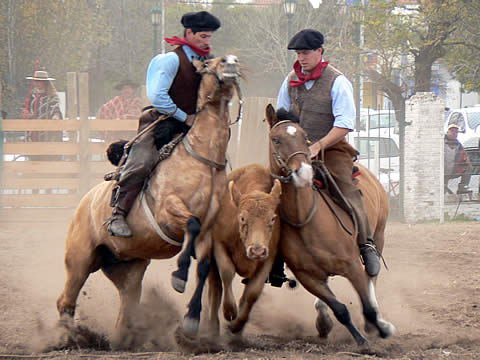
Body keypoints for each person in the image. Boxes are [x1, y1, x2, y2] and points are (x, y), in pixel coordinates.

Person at [105, 11, 221, 238]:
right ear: (189, 33)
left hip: (196, 126)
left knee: (220, 161)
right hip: (162, 122)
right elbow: (157, 97)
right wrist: (183, 116)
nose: (207, 42)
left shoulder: (210, 62)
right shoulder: (170, 60)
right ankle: (118, 214)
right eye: (203, 37)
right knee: (142, 161)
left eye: (209, 37)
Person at [275, 29, 380, 278]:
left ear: (320, 52)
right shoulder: (289, 80)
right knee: (272, 191)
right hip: (296, 151)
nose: (302, 58)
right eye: (299, 53)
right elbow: (281, 117)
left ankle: (366, 245)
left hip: (332, 149)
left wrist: (319, 146)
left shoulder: (338, 81)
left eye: (306, 53)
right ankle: (274, 257)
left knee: (347, 189)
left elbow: (345, 123)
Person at [22, 70, 63, 142]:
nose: (37, 83)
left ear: (45, 82)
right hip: (33, 131)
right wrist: (26, 113)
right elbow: (26, 108)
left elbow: (55, 108)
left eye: (39, 81)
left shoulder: (52, 97)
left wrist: (56, 116)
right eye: (35, 81)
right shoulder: (32, 96)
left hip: (47, 132)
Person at [444, 123, 472, 194]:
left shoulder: (459, 146)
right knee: (441, 194)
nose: (454, 133)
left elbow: (465, 158)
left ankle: (462, 188)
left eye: (456, 132)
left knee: (469, 167)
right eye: (452, 131)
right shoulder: (440, 143)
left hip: (454, 170)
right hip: (441, 171)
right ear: (447, 132)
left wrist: (466, 161)